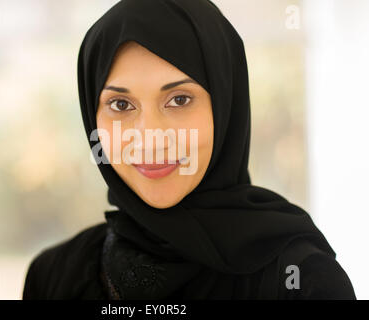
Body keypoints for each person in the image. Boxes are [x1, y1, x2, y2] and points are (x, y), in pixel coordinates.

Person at [22, 0, 356, 300]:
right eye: (121, 104)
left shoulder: (302, 279)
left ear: (226, 108)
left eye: (179, 99)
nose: (150, 137)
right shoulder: (54, 277)